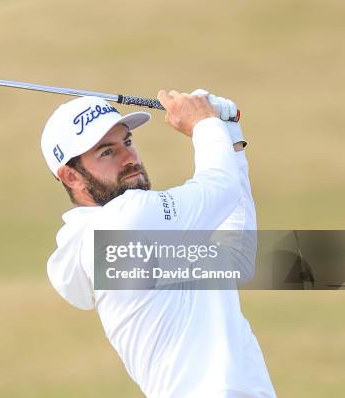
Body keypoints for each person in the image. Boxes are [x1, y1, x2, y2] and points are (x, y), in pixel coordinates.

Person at [40, 90, 277, 397]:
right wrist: (205, 124)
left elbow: (236, 256)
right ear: (71, 177)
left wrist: (229, 135)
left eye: (127, 142)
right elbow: (221, 188)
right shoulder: (122, 222)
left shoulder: (115, 245)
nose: (129, 158)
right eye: (107, 152)